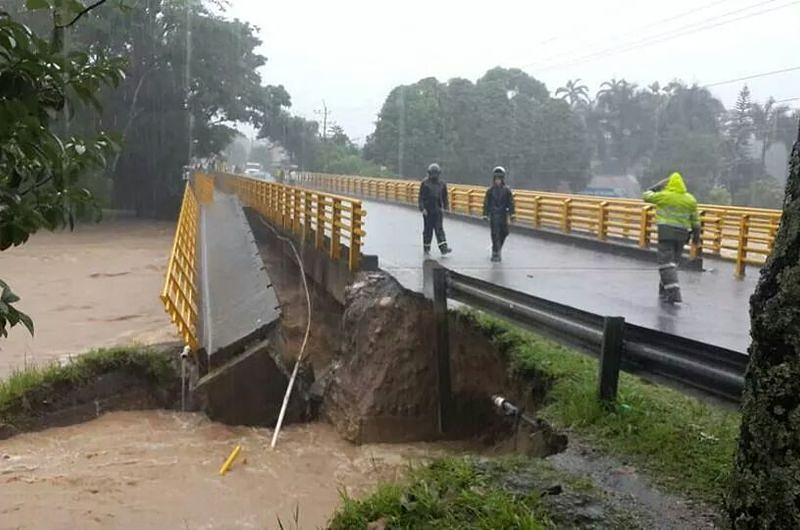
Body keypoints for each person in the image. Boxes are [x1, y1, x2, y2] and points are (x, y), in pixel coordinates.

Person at [642, 172, 701, 304]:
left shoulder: (664, 196)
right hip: (682, 235)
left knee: (665, 264)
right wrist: (696, 237)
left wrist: (658, 186)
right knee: (672, 263)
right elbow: (696, 221)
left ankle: (674, 294)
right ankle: (663, 292)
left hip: (666, 234)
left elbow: (646, 195)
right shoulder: (690, 199)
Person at [482, 166, 515, 262]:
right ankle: (495, 253)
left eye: (499, 179)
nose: (498, 181)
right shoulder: (490, 191)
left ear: (502, 179)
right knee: (495, 234)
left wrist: (512, 214)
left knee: (504, 232)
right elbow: (486, 203)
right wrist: (485, 214)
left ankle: (497, 247)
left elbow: (511, 203)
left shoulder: (507, 190)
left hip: (503, 215)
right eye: (496, 179)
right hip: (494, 215)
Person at [418, 163, 451, 255]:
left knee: (439, 229)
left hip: (438, 210)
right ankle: (426, 247)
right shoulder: (425, 183)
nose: (434, 176)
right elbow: (421, 198)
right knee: (428, 230)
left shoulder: (442, 184)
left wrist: (446, 208)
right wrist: (422, 208)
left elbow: (445, 197)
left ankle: (443, 248)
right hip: (427, 211)